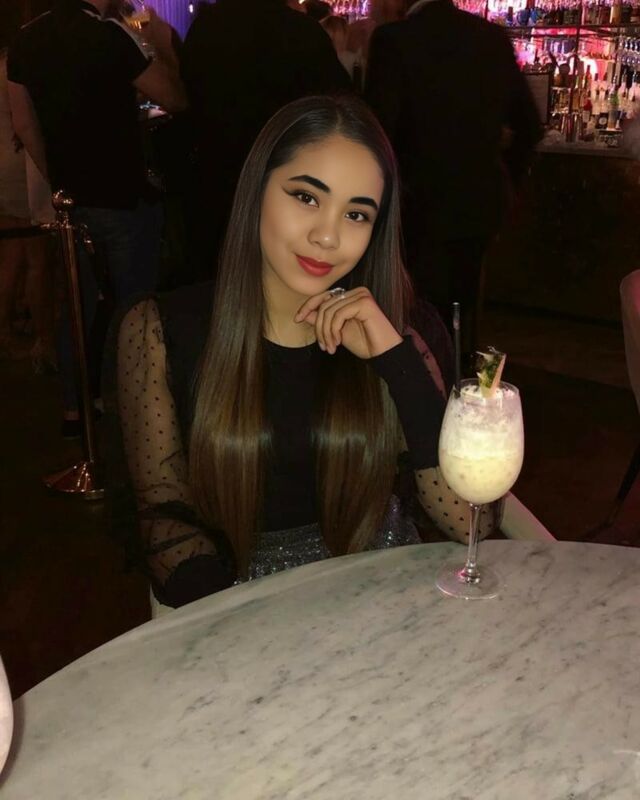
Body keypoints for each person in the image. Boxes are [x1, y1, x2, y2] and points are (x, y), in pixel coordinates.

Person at [109, 94, 539, 614]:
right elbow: (163, 514)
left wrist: (395, 361)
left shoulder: (401, 333)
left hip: (384, 598)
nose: (328, 236)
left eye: (356, 214)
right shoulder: (159, 332)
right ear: (257, 188)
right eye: (307, 197)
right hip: (242, 610)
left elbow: (471, 520)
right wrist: (237, 623)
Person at [7, 0, 187, 436]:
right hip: (122, 194)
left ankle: (77, 405)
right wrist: (165, 45)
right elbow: (174, 98)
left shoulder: (25, 40)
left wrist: (60, 183)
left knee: (78, 303)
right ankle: (141, 410)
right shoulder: (111, 34)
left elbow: (24, 124)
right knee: (135, 308)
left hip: (74, 202)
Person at [365, 0, 542, 356]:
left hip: (414, 208)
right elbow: (530, 127)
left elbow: (377, 133)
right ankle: (458, 377)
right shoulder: (491, 38)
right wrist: (505, 178)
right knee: (461, 309)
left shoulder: (393, 40)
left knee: (412, 311)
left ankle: (418, 380)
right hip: (477, 205)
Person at [180, 0, 351, 281]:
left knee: (215, 274)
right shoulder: (301, 32)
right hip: (281, 179)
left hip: (214, 176)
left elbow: (187, 94)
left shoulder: (205, 26)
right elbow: (341, 109)